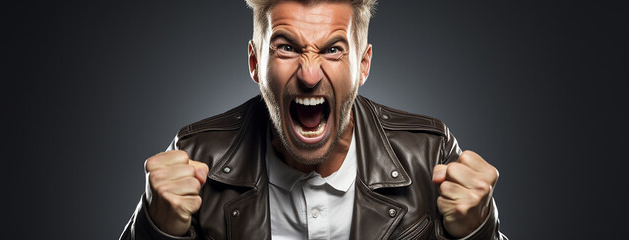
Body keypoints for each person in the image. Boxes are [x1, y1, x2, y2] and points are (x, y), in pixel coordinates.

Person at [121, 0, 507, 239]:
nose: (309, 74)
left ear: (363, 65)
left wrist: (477, 231)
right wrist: (155, 229)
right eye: (286, 47)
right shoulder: (196, 155)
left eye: (333, 49)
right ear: (256, 63)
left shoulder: (429, 152)